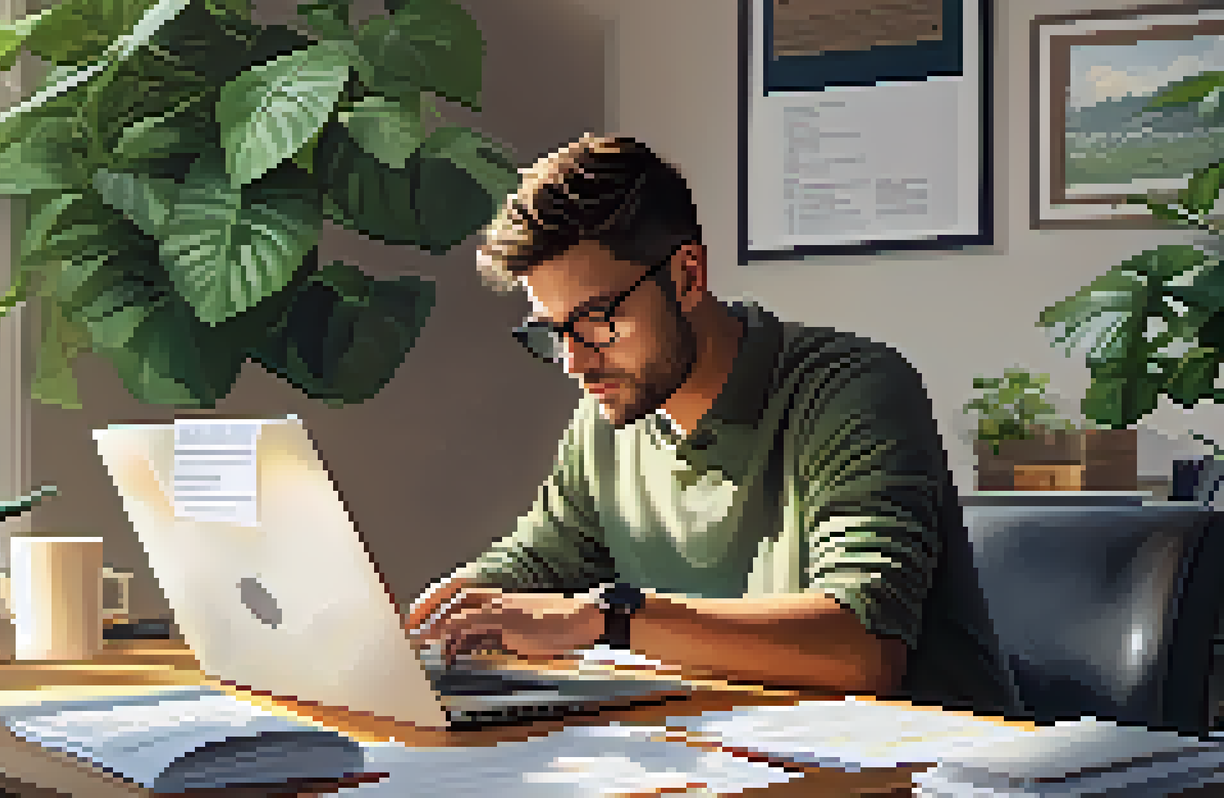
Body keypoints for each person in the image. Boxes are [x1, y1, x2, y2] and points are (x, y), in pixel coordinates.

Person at [404, 134, 1020, 714]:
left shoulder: (852, 390)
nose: (574, 361)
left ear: (687, 275)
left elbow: (861, 650)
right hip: (743, 756)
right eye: (552, 331)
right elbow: (537, 564)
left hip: (933, 770)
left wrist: (610, 618)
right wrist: (431, 616)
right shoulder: (607, 418)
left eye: (597, 319)